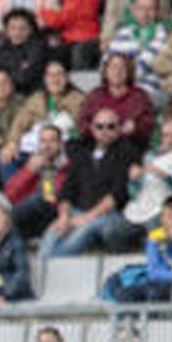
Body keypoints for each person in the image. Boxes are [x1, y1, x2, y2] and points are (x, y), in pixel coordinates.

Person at [41, 109, 140, 259]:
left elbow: (118, 193)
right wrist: (64, 217)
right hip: (78, 211)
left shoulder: (127, 151)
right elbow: (67, 189)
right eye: (100, 126)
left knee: (84, 231)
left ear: (119, 128)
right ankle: (44, 267)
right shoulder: (83, 153)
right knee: (53, 230)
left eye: (111, 126)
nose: (105, 131)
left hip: (111, 215)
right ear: (93, 129)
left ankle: (50, 266)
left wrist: (86, 218)